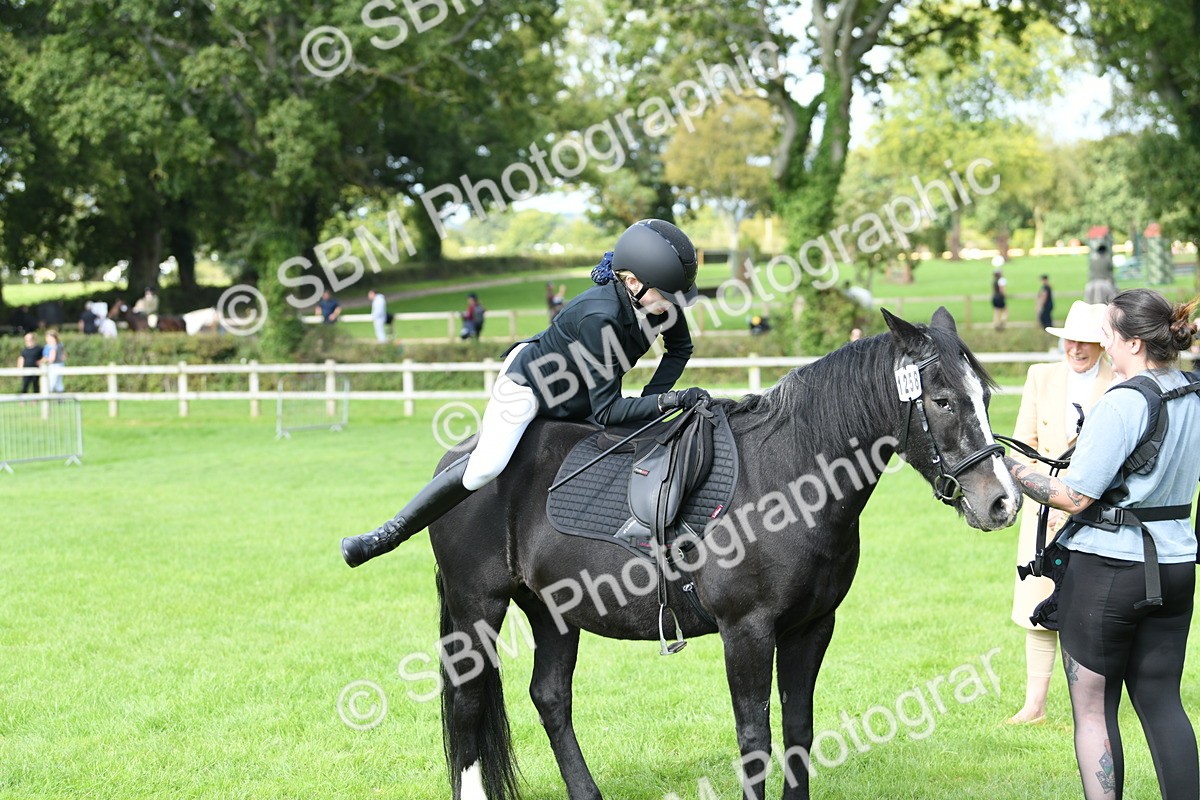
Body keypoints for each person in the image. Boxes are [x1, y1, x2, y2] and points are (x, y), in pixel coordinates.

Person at [343, 218, 706, 568]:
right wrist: (666, 401)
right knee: (486, 467)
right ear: (631, 282)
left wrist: (653, 396)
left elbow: (679, 349)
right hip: (531, 386)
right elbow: (609, 411)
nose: (674, 304)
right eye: (667, 295)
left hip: (583, 396)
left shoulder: (659, 304)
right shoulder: (601, 316)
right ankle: (386, 534)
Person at [1003, 288, 1199, 799]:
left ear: (1134, 343)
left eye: (1109, 336)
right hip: (1176, 567)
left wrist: (1010, 469)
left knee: (1092, 708)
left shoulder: (1125, 401)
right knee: (1162, 702)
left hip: (1109, 571)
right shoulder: (1193, 394)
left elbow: (1072, 495)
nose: (1105, 346)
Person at [1006, 301, 1115, 726]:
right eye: (1070, 339)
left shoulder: (1122, 382)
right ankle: (1035, 706)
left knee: (1091, 610)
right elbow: (1022, 446)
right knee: (1037, 607)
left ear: (1102, 346)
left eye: (1086, 341)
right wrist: (1049, 500)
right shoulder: (1041, 376)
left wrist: (1077, 503)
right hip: (1043, 510)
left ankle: (1089, 705)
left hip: (1098, 509)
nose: (1076, 348)